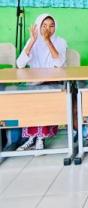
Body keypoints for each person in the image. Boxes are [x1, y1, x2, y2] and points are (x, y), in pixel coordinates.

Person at [15, 13, 67, 151]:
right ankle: (32, 137)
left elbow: (59, 63)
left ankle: (40, 138)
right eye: (44, 26)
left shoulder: (60, 41)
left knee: (44, 98)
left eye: (51, 26)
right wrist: (32, 41)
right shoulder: (33, 41)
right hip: (34, 82)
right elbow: (20, 64)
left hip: (52, 82)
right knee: (30, 100)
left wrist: (47, 41)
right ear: (38, 26)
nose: (48, 29)